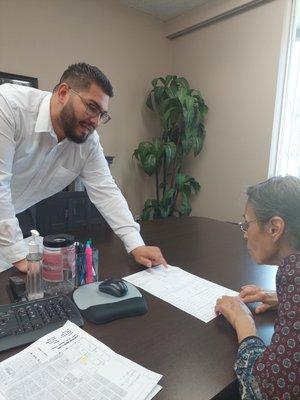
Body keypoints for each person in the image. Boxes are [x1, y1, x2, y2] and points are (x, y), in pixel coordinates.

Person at [0, 62, 167, 272]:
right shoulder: (8, 105)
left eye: (102, 114)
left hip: (5, 229)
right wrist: (17, 254)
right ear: (63, 92)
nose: (96, 121)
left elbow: (106, 190)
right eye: (92, 107)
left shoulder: (88, 142)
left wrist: (136, 244)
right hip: (7, 228)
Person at [215, 176, 300, 399]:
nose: (244, 234)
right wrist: (284, 298)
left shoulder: (294, 272)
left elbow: (267, 388)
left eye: (246, 223)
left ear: (274, 228)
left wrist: (243, 322)